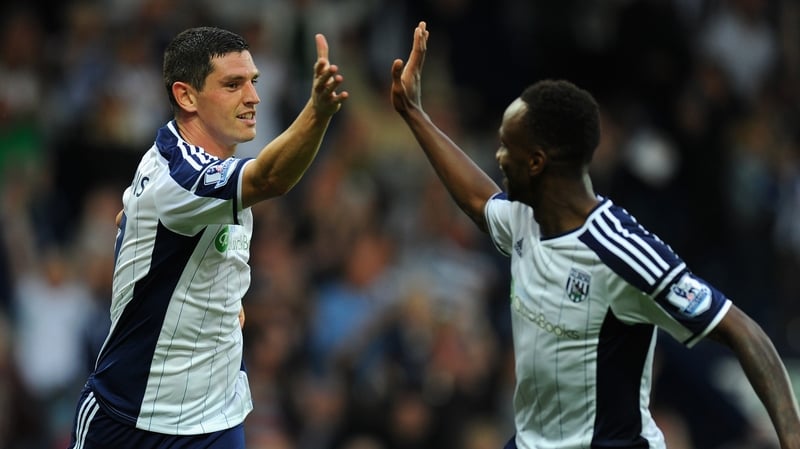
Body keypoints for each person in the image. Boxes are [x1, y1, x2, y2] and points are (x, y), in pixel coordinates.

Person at [390, 21, 800, 449]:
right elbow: (478, 200)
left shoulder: (620, 252)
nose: (497, 157)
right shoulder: (524, 220)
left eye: (505, 146)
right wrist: (415, 115)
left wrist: (792, 438)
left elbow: (742, 331)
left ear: (536, 162)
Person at [66, 26, 348, 449]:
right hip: (131, 419)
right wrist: (318, 112)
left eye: (253, 82)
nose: (252, 98)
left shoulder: (200, 167)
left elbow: (137, 220)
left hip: (215, 420)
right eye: (233, 85)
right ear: (186, 96)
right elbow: (271, 177)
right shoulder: (182, 180)